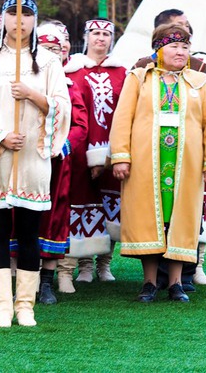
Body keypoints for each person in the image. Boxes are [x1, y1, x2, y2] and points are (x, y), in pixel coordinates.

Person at [0, 0, 70, 327]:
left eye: (26, 14)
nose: (20, 21)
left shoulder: (50, 64)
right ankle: (1, 306)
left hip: (31, 158)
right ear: (3, 19)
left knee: (28, 232)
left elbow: (62, 107)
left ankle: (25, 305)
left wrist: (32, 95)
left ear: (34, 20)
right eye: (13, 14)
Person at [110, 23, 206, 303]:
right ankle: (148, 283)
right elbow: (123, 119)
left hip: (187, 166)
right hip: (146, 164)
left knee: (179, 222)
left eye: (185, 47)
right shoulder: (139, 79)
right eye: (174, 46)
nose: (181, 52)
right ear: (158, 49)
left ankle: (175, 284)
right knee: (149, 221)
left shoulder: (197, 82)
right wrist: (121, 156)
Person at [134, 8, 206, 287]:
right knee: (155, 213)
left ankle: (188, 272)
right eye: (174, 32)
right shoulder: (142, 69)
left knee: (189, 213)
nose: (181, 40)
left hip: (189, 156)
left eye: (185, 34)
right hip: (153, 156)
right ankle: (152, 278)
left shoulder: (201, 70)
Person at [62, 18, 126, 284]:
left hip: (113, 152)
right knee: (84, 205)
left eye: (106, 34)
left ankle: (105, 264)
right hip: (80, 152)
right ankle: (85, 265)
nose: (101, 38)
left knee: (111, 209)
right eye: (96, 33)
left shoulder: (122, 73)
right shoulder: (72, 71)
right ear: (86, 36)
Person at [34, 23, 89, 304]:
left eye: (56, 50)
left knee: (54, 218)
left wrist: (63, 145)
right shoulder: (25, 82)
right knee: (22, 216)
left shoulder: (70, 85)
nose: (51, 55)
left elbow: (80, 124)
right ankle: (24, 279)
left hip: (57, 163)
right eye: (45, 49)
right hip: (27, 160)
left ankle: (46, 283)